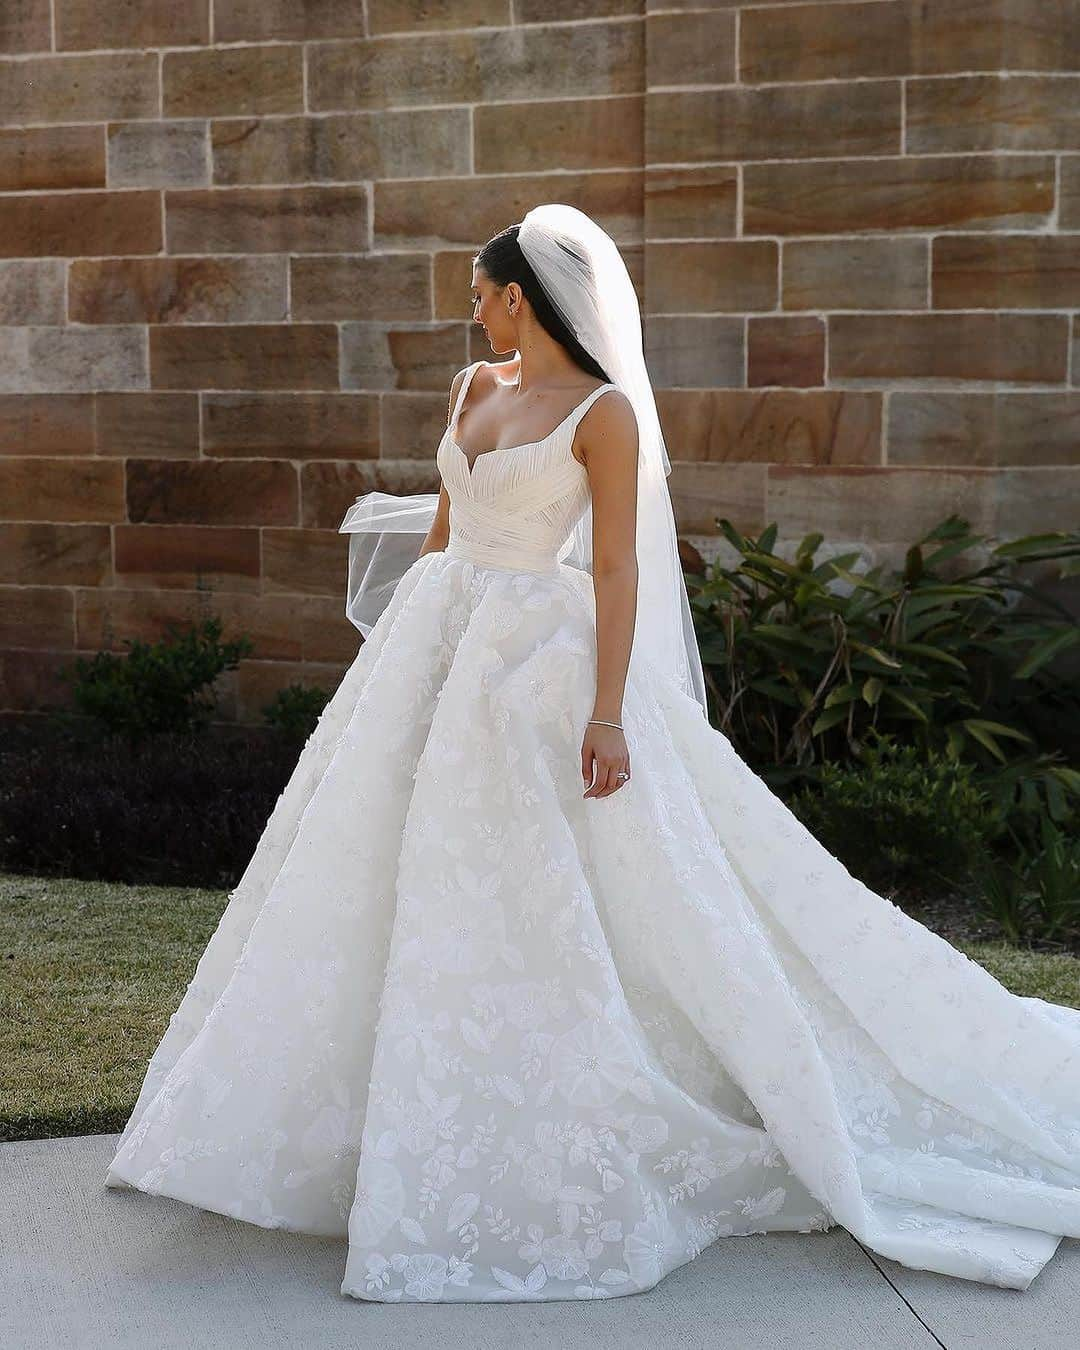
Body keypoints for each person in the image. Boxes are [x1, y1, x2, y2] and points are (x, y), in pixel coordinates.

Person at [105, 204, 1080, 1304]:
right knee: (367, 867)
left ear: (522, 294)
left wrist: (606, 714)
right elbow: (445, 524)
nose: (470, 313)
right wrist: (398, 654)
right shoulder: (475, 390)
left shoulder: (606, 415)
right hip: (440, 643)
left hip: (537, 660)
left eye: (479, 294)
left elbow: (615, 570)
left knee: (538, 876)